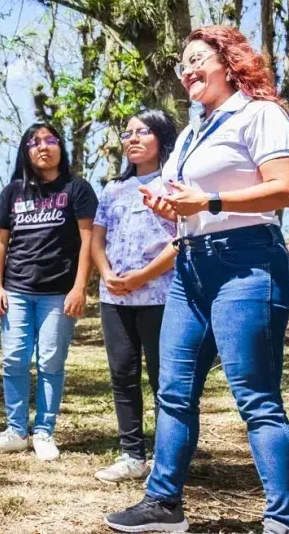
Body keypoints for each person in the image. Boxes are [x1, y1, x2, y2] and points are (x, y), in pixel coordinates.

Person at [105, 27, 289, 534]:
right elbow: (184, 202)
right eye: (183, 64)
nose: (188, 70)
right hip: (191, 267)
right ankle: (163, 503)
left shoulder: (260, 114)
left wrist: (209, 202)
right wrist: (169, 205)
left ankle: (284, 520)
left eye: (198, 59)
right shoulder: (193, 132)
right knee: (173, 392)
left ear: (229, 62)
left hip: (247, 263)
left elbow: (286, 189)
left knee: (256, 398)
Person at [0, 123, 97, 461]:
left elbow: (88, 240)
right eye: (34, 142)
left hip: (58, 293)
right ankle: (16, 431)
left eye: (50, 140)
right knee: (14, 359)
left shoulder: (77, 189)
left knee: (50, 361)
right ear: (26, 152)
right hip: (16, 290)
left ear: (61, 146)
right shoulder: (13, 191)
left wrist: (79, 288)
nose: (43, 147)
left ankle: (44, 432)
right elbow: (0, 242)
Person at [90, 110, 178, 482]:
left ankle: (167, 459)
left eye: (143, 132)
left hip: (161, 296)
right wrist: (107, 274)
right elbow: (97, 239)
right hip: (115, 299)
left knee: (164, 380)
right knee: (122, 375)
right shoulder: (112, 189)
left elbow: (182, 241)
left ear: (162, 137)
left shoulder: (175, 184)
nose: (133, 139)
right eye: (128, 134)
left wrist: (143, 276)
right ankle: (132, 456)